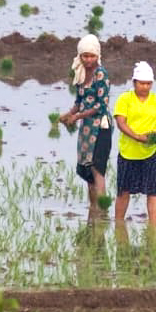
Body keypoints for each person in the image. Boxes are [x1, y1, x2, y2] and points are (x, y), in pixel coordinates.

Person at [113, 62, 156, 226]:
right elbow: (121, 122)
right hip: (128, 152)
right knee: (123, 191)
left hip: (151, 152)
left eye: (148, 83)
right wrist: (137, 137)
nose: (145, 87)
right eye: (141, 83)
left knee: (152, 191)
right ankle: (118, 224)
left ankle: (153, 227)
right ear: (134, 82)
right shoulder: (124, 99)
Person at [60, 34, 112, 218]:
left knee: (98, 168)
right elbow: (79, 101)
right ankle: (93, 209)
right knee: (88, 169)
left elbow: (101, 105)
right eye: (85, 56)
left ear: (97, 55)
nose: (88, 60)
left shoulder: (101, 75)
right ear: (80, 56)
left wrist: (77, 116)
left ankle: (102, 211)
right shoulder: (80, 73)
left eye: (91, 56)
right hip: (86, 128)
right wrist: (68, 114)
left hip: (101, 127)